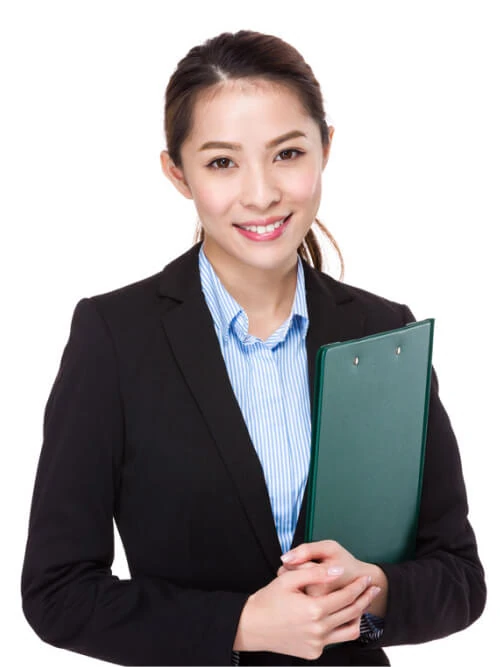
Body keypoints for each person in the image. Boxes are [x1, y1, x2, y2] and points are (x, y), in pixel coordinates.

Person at [21, 30, 486, 666]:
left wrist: (374, 592)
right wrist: (241, 624)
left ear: (326, 148)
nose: (261, 193)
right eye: (221, 162)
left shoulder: (384, 334)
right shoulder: (115, 337)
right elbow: (58, 594)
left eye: (287, 153)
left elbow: (460, 579)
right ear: (177, 173)